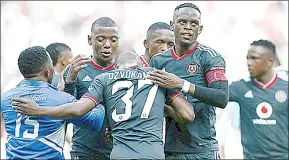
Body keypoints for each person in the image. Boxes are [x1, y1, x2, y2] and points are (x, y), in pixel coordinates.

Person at [12, 51, 195, 160]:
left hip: (121, 154)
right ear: (141, 64)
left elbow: (78, 109)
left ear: (116, 67)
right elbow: (187, 115)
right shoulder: (157, 76)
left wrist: (38, 110)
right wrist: (161, 107)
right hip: (152, 153)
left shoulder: (105, 78)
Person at [147, 3, 229, 159]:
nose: (188, 27)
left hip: (203, 149)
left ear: (200, 29)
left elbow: (222, 98)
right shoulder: (158, 61)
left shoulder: (210, 57)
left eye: (194, 24)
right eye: (182, 22)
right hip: (171, 150)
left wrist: (182, 84)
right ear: (172, 25)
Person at [1, 46, 104, 159]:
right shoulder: (62, 100)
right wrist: (99, 95)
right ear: (48, 71)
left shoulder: (5, 99)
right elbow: (95, 122)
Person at [63, 17, 119, 160]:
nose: (107, 45)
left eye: (113, 40)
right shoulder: (77, 69)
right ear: (90, 39)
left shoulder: (125, 70)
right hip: (84, 149)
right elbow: (66, 109)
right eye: (101, 39)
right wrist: (70, 80)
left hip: (117, 150)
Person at [225, 39, 288, 159]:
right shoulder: (241, 87)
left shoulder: (286, 87)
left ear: (270, 61)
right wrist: (185, 86)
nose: (249, 62)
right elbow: (214, 94)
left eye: (254, 58)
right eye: (248, 58)